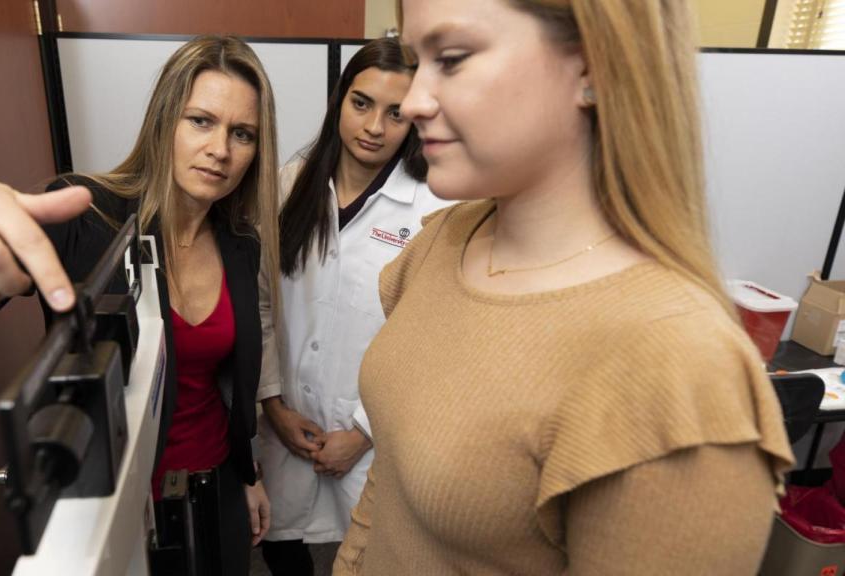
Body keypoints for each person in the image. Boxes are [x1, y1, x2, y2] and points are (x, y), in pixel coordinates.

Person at [332, 1, 795, 575]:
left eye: (451, 59)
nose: (416, 100)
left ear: (592, 66)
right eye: (416, 60)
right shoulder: (444, 242)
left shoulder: (678, 371)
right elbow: (391, 483)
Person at [0, 35, 280, 576]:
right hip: (124, 504)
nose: (221, 150)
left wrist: (247, 474)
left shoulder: (240, 243)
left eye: (242, 134)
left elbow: (230, 384)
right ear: (165, 121)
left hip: (219, 490)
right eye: (201, 121)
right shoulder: (91, 219)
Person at [256, 38, 451, 576]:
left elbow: (430, 337)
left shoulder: (434, 208)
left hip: (372, 441)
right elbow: (263, 306)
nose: (373, 127)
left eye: (395, 113)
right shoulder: (289, 186)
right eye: (361, 104)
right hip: (286, 427)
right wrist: (274, 405)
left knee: (366, 556)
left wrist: (364, 431)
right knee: (282, 546)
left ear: (413, 120)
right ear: (339, 100)